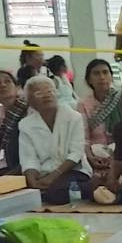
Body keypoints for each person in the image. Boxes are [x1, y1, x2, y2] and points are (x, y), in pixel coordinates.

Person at [18, 77, 90, 205]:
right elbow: (28, 158)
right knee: (20, 193)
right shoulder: (25, 125)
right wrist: (32, 181)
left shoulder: (73, 117)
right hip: (43, 174)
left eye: (50, 91)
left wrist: (52, 177)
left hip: (73, 171)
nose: (47, 96)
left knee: (56, 192)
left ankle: (93, 186)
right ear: (30, 101)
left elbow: (76, 153)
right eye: (39, 93)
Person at [77, 58, 122, 188]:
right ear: (89, 80)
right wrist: (90, 157)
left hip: (120, 153)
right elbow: (83, 137)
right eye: (96, 73)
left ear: (111, 76)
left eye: (105, 72)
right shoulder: (83, 104)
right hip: (96, 155)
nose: (102, 77)